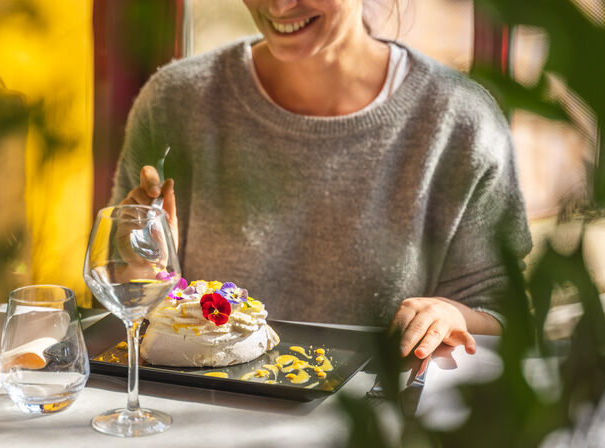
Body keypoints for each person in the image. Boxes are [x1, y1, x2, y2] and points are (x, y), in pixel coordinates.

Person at [113, 0, 532, 361]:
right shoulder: (174, 102)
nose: (278, 7)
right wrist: (140, 272)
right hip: (202, 417)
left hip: (373, 439)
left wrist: (449, 315)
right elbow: (121, 297)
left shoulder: (460, 122)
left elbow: (503, 316)